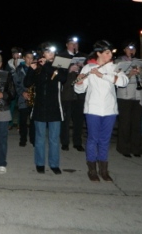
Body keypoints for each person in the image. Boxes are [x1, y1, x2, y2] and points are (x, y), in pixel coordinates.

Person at [74, 40, 129, 182]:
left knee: (105, 140)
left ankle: (104, 170)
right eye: (107, 52)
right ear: (99, 53)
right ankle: (92, 170)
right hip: (93, 108)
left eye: (110, 52)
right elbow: (79, 89)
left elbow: (123, 82)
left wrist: (103, 75)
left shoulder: (115, 67)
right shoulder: (88, 67)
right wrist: (79, 82)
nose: (110, 55)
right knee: (93, 139)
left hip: (110, 109)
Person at [24, 42, 67, 175]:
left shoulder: (61, 62)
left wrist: (46, 65)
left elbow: (62, 78)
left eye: (53, 51)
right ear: (43, 53)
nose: (51, 54)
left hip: (55, 107)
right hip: (39, 107)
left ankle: (54, 164)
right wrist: (31, 69)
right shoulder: (38, 65)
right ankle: (40, 163)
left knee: (54, 138)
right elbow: (27, 83)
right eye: (48, 52)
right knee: (40, 137)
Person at [114, 40, 142, 158]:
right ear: (124, 50)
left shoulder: (141, 62)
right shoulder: (119, 62)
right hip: (125, 95)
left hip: (139, 95)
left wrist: (141, 73)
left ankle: (136, 148)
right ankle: (124, 148)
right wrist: (130, 75)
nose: (131, 50)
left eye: (133, 48)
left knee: (136, 123)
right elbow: (116, 79)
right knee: (125, 123)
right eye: (129, 48)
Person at [58, 36, 88, 152]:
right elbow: (57, 73)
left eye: (76, 44)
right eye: (72, 43)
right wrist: (68, 69)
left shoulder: (84, 56)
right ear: (67, 45)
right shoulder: (61, 56)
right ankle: (64, 142)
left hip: (80, 93)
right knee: (65, 120)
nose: (74, 46)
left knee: (79, 120)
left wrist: (82, 68)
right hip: (67, 92)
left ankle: (77, 142)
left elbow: (89, 72)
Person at [13, 50, 37, 147]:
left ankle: (33, 139)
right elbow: (16, 83)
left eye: (32, 58)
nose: (30, 59)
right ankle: (23, 139)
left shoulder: (37, 69)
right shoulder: (19, 69)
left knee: (33, 120)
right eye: (28, 57)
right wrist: (22, 92)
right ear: (24, 58)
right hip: (23, 98)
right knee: (22, 120)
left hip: (34, 97)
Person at [5, 47, 24, 130]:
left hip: (21, 87)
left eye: (18, 53)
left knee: (21, 106)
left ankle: (20, 123)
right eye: (14, 53)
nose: (16, 55)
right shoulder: (9, 63)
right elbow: (6, 74)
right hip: (12, 87)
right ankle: (10, 123)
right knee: (11, 106)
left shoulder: (24, 62)